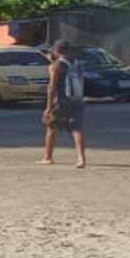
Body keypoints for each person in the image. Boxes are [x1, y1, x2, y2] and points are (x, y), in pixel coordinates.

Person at [41, 40, 87, 169]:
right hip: (77, 100)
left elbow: (51, 88)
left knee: (51, 127)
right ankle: (81, 158)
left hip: (61, 101)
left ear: (56, 51)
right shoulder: (77, 64)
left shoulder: (56, 66)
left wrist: (48, 108)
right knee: (76, 129)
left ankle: (48, 157)